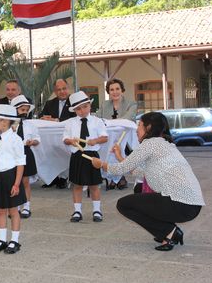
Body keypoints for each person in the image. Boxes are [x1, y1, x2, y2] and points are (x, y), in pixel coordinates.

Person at [91, 112, 204, 251]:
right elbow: (141, 172)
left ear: (149, 127)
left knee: (124, 205)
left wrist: (102, 164)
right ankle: (166, 230)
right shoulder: (164, 144)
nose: (137, 129)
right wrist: (120, 156)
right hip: (191, 205)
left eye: (139, 125)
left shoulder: (150, 144)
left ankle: (169, 232)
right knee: (139, 192)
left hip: (181, 203)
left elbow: (122, 169)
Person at [0, 104, 26, 254]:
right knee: (0, 210)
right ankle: (2, 239)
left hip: (10, 176)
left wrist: (16, 184)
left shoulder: (15, 139)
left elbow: (20, 163)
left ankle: (14, 240)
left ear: (4, 122)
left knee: (13, 210)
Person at [62, 91, 108, 223]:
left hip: (92, 154)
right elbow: (65, 138)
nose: (82, 111)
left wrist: (96, 141)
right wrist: (71, 141)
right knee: (77, 184)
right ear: (74, 110)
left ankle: (97, 210)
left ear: (89, 105)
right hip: (77, 155)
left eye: (85, 107)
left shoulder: (97, 121)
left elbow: (105, 137)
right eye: (78, 109)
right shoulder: (70, 122)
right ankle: (77, 211)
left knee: (94, 184)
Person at [96, 78, 137, 190]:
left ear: (122, 90)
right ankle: (113, 179)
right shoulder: (104, 104)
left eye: (117, 89)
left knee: (119, 147)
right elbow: (98, 119)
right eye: (111, 89)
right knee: (107, 147)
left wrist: (108, 122)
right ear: (108, 92)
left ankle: (118, 178)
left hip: (126, 137)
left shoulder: (131, 103)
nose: (115, 92)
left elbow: (129, 118)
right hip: (108, 137)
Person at [40, 79, 76, 189]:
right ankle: (53, 177)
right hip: (51, 138)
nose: (62, 91)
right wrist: (44, 118)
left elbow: (75, 118)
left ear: (68, 88)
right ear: (55, 91)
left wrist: (56, 120)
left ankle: (64, 178)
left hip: (70, 137)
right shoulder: (50, 103)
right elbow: (42, 116)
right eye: (58, 89)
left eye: (64, 88)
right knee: (48, 151)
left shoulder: (75, 101)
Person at [10, 95, 40, 219]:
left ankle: (26, 206)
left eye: (27, 110)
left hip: (26, 153)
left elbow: (37, 139)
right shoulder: (10, 124)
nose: (25, 112)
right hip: (13, 154)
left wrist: (32, 142)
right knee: (13, 181)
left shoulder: (30, 125)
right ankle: (15, 206)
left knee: (25, 181)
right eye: (22, 110)